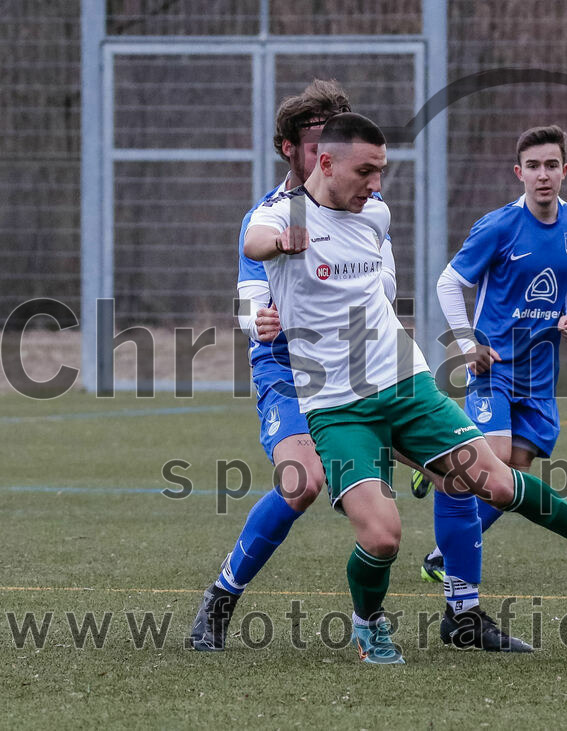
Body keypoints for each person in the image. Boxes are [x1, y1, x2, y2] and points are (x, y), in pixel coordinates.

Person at [243, 112, 567, 664]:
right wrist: (282, 243)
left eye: (382, 171)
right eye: (366, 171)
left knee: (499, 485)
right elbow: (257, 241)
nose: (376, 185)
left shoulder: (373, 212)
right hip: (337, 407)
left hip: (406, 385)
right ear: (326, 164)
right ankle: (369, 625)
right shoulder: (279, 215)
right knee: (382, 536)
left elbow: (373, 290)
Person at [188, 79, 370, 651]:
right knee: (302, 482)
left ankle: (461, 609)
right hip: (288, 371)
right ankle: (220, 601)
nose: (326, 157)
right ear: (288, 149)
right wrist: (258, 319)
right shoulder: (268, 216)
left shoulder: (368, 207)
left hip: (352, 370)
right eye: (314, 144)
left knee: (465, 471)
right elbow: (249, 290)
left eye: (333, 143)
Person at [412, 126, 567, 639]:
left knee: (509, 482)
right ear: (519, 173)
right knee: (487, 467)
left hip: (541, 376)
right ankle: (447, 466)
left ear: (565, 171)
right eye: (532, 166)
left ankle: (439, 549)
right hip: (492, 369)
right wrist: (468, 342)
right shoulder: (498, 226)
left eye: (551, 165)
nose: (543, 174)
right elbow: (451, 282)